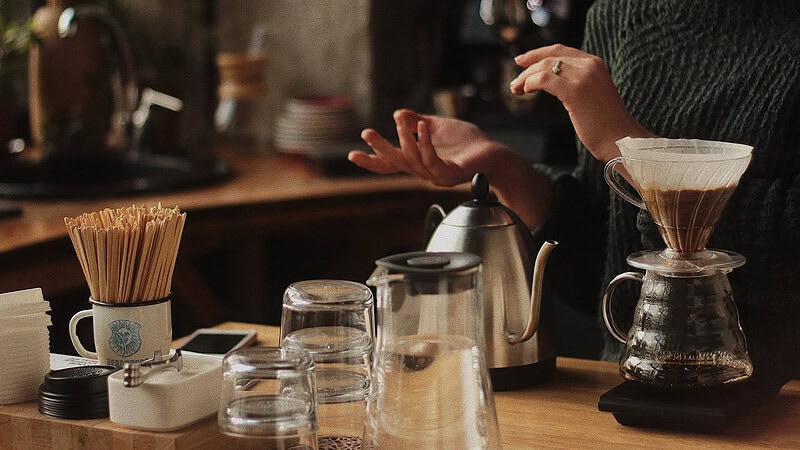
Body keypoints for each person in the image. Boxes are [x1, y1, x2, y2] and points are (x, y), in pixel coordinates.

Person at [349, 0, 800, 386]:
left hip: (773, 408)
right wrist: (502, 168)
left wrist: (634, 149)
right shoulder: (620, 14)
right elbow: (601, 270)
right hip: (626, 396)